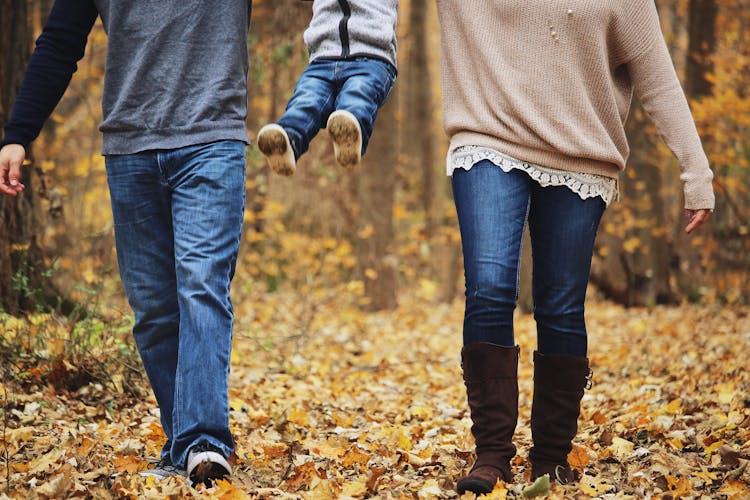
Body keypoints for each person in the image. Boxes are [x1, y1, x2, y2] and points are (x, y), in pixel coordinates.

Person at [436, 0, 715, 494]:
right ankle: (493, 455)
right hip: (486, 135)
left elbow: (657, 77)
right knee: (489, 285)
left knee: (561, 306)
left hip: (582, 154)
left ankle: (550, 458)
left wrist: (697, 173)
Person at [0, 0, 253, 487]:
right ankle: (184, 443)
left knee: (201, 284)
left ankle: (205, 442)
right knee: (155, 311)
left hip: (212, 140)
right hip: (129, 148)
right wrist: (18, 134)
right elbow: (59, 43)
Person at [256, 0, 398, 175]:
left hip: (371, 54)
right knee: (306, 99)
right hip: (323, 55)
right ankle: (287, 141)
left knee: (358, 94)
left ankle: (350, 136)